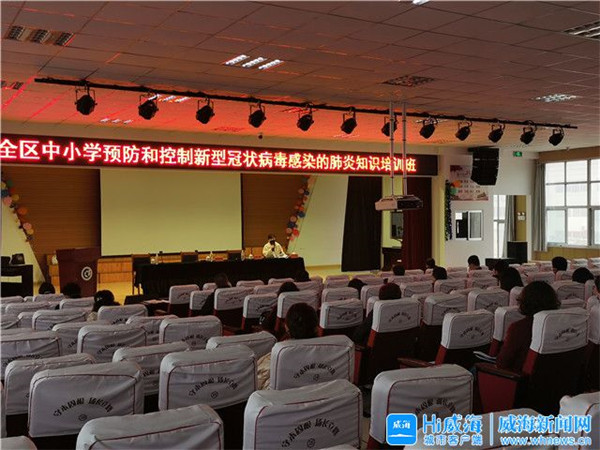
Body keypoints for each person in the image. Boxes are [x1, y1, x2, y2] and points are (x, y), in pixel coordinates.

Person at [496, 281, 560, 372]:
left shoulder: (519, 328)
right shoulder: (559, 325)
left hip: (517, 377)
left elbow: (502, 363)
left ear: (524, 302)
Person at [256, 302, 318, 390]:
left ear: (286, 327)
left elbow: (256, 382)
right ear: (316, 327)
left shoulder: (275, 357)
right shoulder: (332, 351)